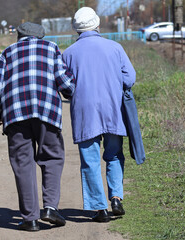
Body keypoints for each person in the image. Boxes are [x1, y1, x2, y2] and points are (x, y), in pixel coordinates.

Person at [0, 22, 75, 231]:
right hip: (47, 112)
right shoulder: (51, 48)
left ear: (19, 36)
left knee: (23, 163)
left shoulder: (6, 53)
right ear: (40, 37)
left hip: (16, 114)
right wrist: (71, 92)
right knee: (52, 157)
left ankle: (30, 219)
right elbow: (64, 82)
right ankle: (51, 208)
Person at [62, 7, 136, 222]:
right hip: (113, 110)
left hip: (85, 113)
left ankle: (99, 208)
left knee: (90, 160)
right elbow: (129, 78)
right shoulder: (115, 47)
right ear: (97, 24)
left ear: (76, 29)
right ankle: (116, 197)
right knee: (113, 155)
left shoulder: (68, 54)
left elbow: (64, 86)